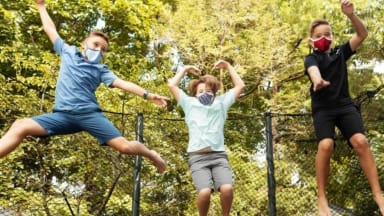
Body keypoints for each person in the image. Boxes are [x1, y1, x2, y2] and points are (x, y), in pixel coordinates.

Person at [0, 0, 167, 173]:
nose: (99, 50)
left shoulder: (101, 70)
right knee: (20, 125)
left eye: (103, 49)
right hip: (62, 116)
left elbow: (123, 84)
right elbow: (51, 30)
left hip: (89, 115)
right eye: (95, 45)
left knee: (124, 148)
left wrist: (148, 95)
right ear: (83, 43)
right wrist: (41, 6)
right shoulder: (69, 52)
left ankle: (152, 154)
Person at [304, 0, 384, 215]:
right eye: (319, 36)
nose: (324, 38)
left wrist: (351, 15)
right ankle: (322, 198)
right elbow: (313, 71)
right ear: (312, 41)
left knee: (361, 141)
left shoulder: (340, 53)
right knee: (326, 145)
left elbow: (362, 35)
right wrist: (317, 81)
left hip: (345, 106)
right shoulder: (311, 57)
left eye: (328, 34)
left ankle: (378, 194)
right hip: (323, 109)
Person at [168, 60, 245, 216]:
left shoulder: (221, 103)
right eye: (201, 91)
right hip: (197, 158)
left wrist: (228, 66)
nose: (205, 93)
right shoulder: (189, 104)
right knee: (204, 193)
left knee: (227, 188)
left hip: (218, 157)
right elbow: (172, 86)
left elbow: (240, 86)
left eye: (208, 91)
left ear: (214, 93)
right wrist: (185, 69)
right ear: (195, 94)